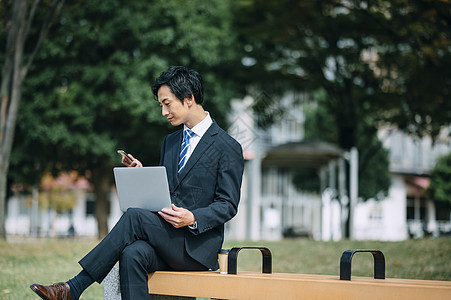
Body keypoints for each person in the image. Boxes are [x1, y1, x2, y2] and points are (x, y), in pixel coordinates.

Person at [30, 66, 244, 300]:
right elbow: (168, 190)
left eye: (167, 103)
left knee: (133, 216)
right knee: (132, 253)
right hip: (166, 239)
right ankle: (72, 289)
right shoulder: (171, 142)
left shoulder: (227, 147)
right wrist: (143, 176)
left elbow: (228, 204)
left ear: (189, 98)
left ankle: (74, 287)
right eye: (161, 105)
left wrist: (192, 218)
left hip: (195, 249)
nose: (163, 112)